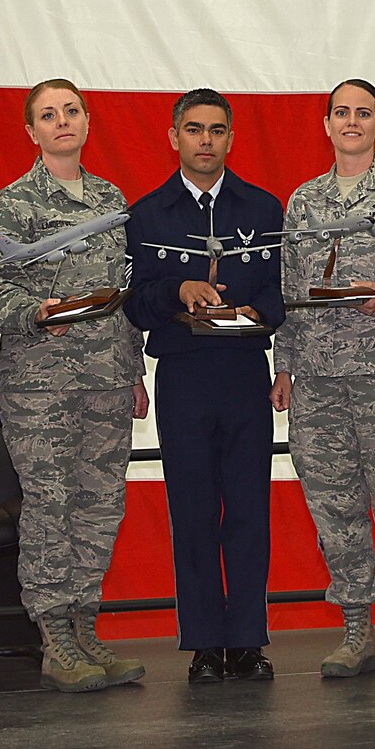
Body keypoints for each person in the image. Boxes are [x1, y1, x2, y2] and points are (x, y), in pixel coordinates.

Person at [0, 80, 148, 692]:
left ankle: (86, 632)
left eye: (70, 112)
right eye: (47, 116)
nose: (61, 123)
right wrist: (38, 311)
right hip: (42, 385)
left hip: (106, 380)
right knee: (51, 509)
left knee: (100, 509)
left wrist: (133, 370)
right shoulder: (14, 205)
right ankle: (55, 639)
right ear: (31, 131)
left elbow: (126, 293)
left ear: (87, 120)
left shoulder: (110, 198)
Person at [270, 79, 375, 679]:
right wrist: (283, 366)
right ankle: (353, 630)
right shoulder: (303, 202)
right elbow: (286, 292)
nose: (351, 122)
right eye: (341, 112)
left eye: (362, 114)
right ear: (326, 124)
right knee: (334, 507)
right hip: (317, 380)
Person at [124, 88, 285, 683]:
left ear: (231, 137)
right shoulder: (147, 215)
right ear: (174, 137)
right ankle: (203, 644)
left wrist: (249, 311)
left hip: (244, 374)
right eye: (194, 129)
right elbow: (135, 304)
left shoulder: (264, 209)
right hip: (184, 375)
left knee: (248, 510)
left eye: (217, 130)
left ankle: (246, 639)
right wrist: (178, 291)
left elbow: (278, 293)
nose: (206, 141)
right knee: (191, 512)